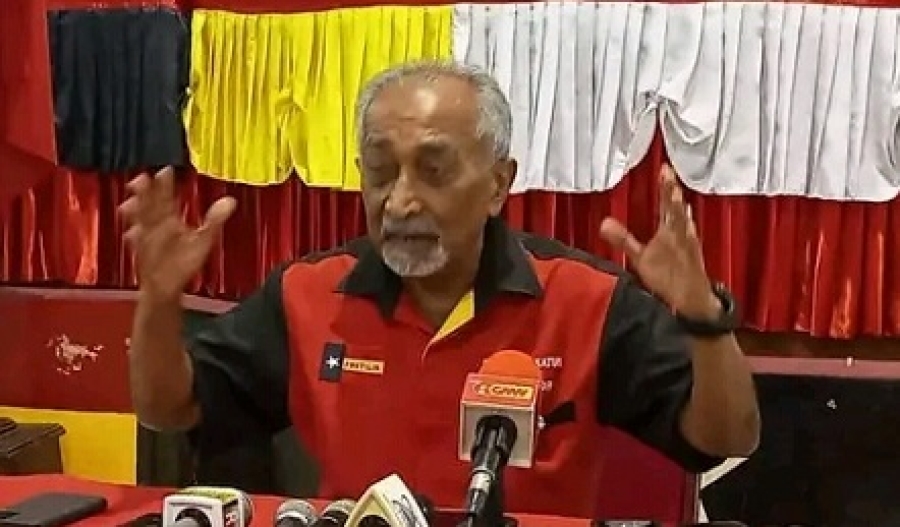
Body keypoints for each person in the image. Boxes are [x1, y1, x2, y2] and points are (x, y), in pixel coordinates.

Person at [120, 61, 759, 518]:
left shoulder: (584, 298)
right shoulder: (309, 293)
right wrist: (158, 300)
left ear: (498, 184)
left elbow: (729, 437)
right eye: (380, 172)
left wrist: (704, 317)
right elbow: (170, 409)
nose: (399, 200)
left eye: (432, 171)